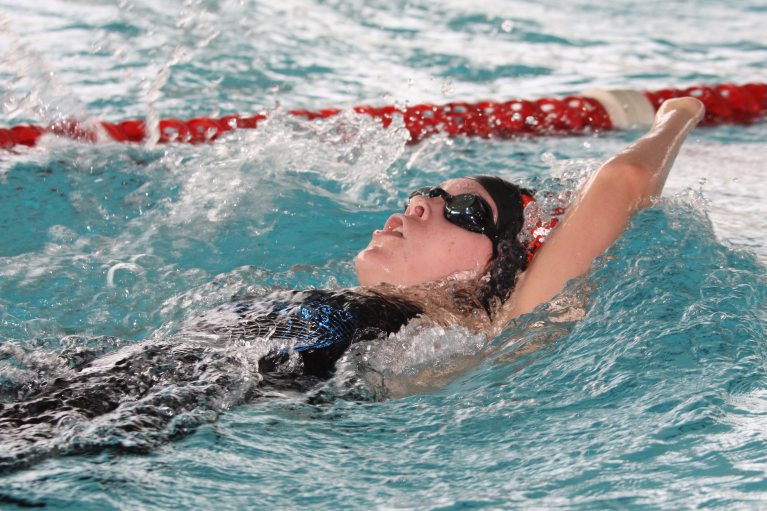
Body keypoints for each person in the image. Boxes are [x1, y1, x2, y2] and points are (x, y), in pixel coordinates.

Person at [0, 97, 704, 471]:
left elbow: (622, 180)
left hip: (144, 410)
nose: (415, 205)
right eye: (423, 191)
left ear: (494, 267)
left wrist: (678, 111)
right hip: (107, 374)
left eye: (459, 209)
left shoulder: (480, 326)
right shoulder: (349, 304)